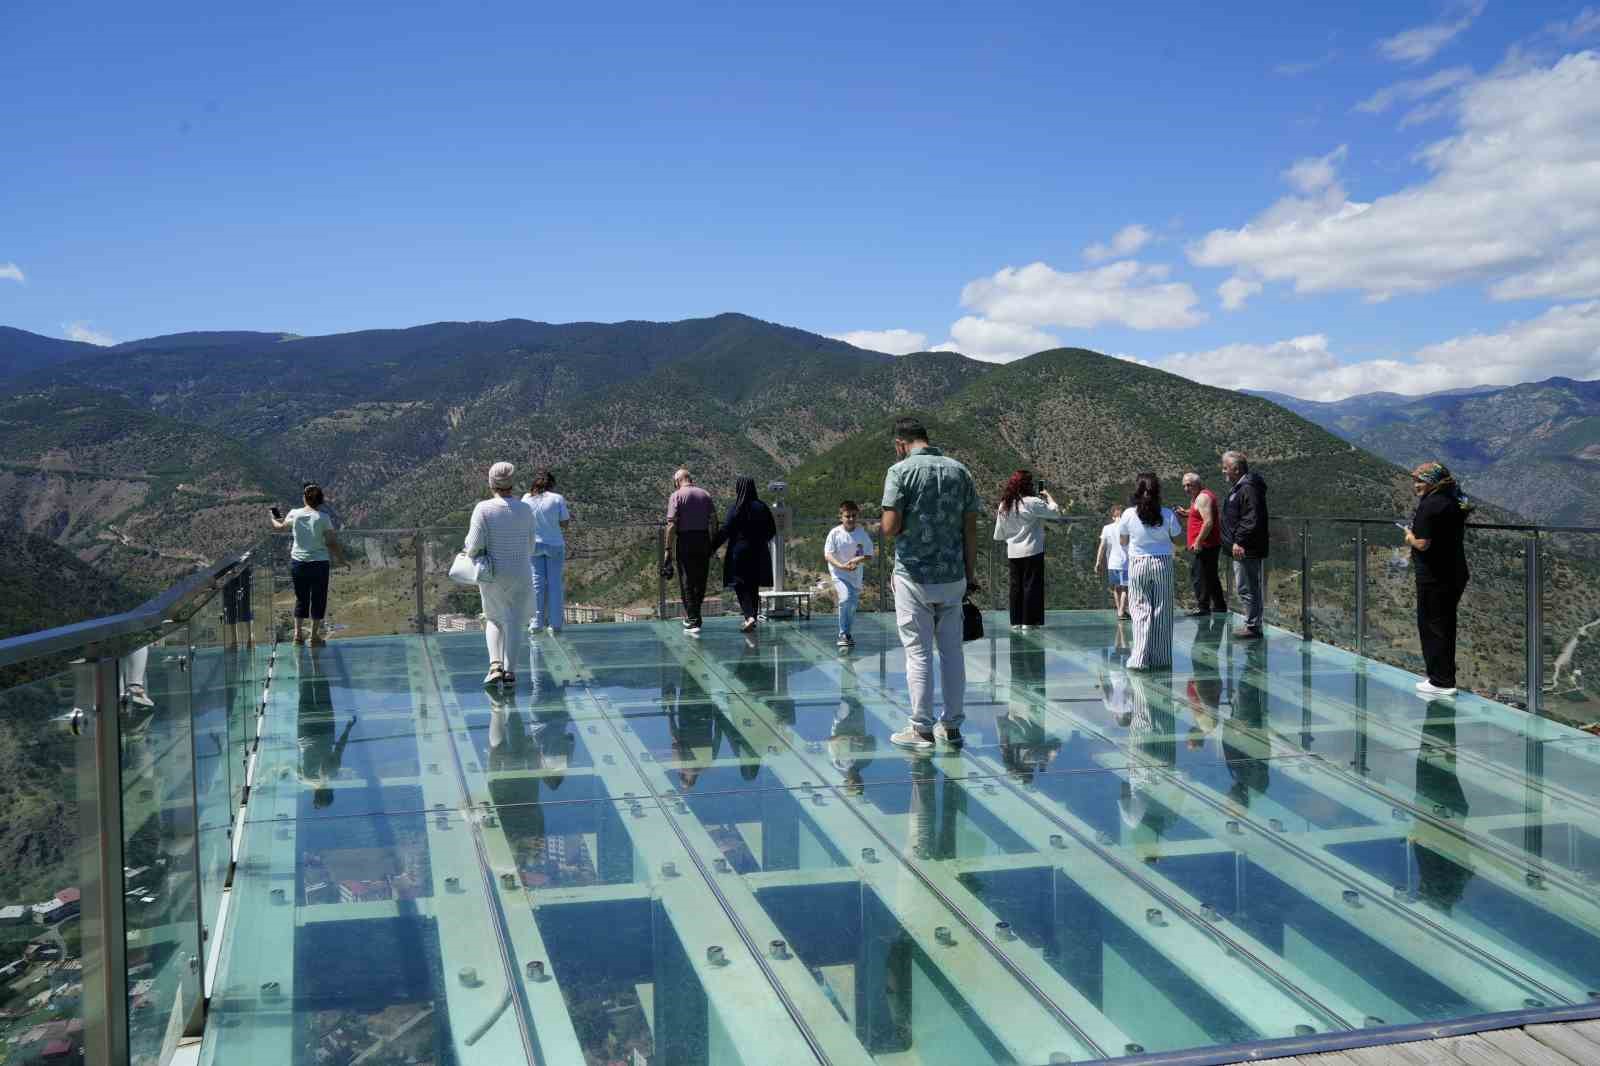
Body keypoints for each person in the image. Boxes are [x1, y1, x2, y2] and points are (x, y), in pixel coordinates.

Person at [880, 417, 982, 751]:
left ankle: (921, 729)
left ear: (900, 444)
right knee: (952, 653)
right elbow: (970, 529)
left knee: (918, 653)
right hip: (953, 576)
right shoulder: (960, 471)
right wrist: (970, 574)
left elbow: (890, 527)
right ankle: (951, 727)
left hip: (914, 576)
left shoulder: (900, 472)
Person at [464, 462, 537, 686]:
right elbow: (531, 544)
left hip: (494, 573)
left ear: (491, 482)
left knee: (494, 618)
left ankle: (495, 665)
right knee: (515, 621)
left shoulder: (483, 509)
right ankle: (510, 673)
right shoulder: (525, 509)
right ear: (512, 482)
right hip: (521, 571)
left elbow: (474, 544)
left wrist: (469, 548)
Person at [1404, 462, 1473, 697]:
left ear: (1432, 482)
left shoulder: (1430, 505)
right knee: (1445, 625)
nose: (1416, 486)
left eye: (1420, 481)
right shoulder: (1452, 502)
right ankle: (1444, 678)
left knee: (1432, 626)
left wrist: (1409, 536)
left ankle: (1440, 680)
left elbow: (1423, 543)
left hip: (1434, 576)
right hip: (1454, 572)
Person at [1118, 473, 1183, 669]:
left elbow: (1123, 540)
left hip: (1138, 563)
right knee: (1162, 610)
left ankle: (1139, 658)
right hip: (1162, 563)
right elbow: (1178, 540)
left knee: (1139, 609)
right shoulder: (1167, 514)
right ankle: (1161, 659)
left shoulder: (1128, 514)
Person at [269, 482, 347, 646]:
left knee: (301, 598)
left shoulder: (294, 514)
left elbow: (280, 527)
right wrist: (341, 560)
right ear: (320, 501)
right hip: (319, 564)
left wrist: (273, 518)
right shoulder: (324, 518)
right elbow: (332, 542)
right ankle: (314, 637)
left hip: (298, 563)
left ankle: (297, 635)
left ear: (304, 498)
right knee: (318, 598)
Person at [992, 470, 1061, 630]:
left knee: (1016, 586)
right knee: (1031, 585)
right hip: (1032, 550)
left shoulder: (1005, 504)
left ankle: (1016, 620)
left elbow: (999, 533)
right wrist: (1048, 497)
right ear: (1028, 485)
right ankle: (1029, 622)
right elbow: (1054, 513)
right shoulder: (1032, 502)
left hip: (1013, 551)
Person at [711, 476, 777, 631]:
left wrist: (712, 547)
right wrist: (761, 540)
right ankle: (752, 616)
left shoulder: (736, 508)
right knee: (753, 585)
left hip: (738, 552)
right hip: (759, 551)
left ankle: (750, 616)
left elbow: (725, 530)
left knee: (739, 583)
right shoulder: (762, 507)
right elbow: (772, 530)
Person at [1220, 451, 1269, 639]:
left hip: (1245, 547)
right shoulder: (1240, 487)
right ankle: (1252, 623)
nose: (1223, 472)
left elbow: (1251, 518)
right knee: (1245, 585)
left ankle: (1253, 625)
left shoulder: (1248, 488)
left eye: (1226, 468)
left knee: (1247, 586)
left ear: (1236, 469)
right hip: (1240, 546)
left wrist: (1239, 540)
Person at [663, 468, 718, 635]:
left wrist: (668, 549)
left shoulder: (676, 496)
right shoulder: (705, 494)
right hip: (703, 539)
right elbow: (714, 520)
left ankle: (692, 619)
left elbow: (671, 525)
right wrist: (712, 542)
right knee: (701, 579)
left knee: (687, 579)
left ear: (677, 481)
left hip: (686, 540)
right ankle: (696, 616)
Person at [522, 470, 571, 636]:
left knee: (536, 584)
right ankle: (555, 624)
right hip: (554, 544)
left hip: (533, 544)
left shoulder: (526, 499)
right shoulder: (557, 498)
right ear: (551, 484)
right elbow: (564, 523)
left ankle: (536, 623)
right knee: (554, 584)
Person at [824, 500, 875, 648]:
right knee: (845, 597)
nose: (851, 519)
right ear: (841, 517)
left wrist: (856, 560)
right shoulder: (835, 533)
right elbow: (828, 555)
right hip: (839, 573)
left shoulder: (861, 533)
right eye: (848, 516)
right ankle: (842, 633)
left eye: (854, 516)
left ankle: (847, 633)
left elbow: (869, 554)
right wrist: (841, 566)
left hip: (855, 575)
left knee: (852, 604)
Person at [1176, 472, 1226, 617]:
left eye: (1188, 485)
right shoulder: (1197, 497)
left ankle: (1203, 607)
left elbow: (1208, 522)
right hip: (1207, 544)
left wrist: (1198, 541)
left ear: (1197, 484)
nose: (1186, 488)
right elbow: (1198, 513)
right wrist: (1186, 513)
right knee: (1210, 575)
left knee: (1199, 575)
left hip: (1206, 544)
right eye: (1184, 486)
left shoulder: (1203, 497)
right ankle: (1219, 605)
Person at [1095, 504, 1130, 619]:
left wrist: (1098, 562)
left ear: (1112, 516)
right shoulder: (1127, 526)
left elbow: (1102, 546)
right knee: (1125, 587)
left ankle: (1119, 610)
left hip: (1112, 562)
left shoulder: (1106, 528)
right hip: (1125, 562)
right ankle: (1121, 611)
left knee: (1116, 588)